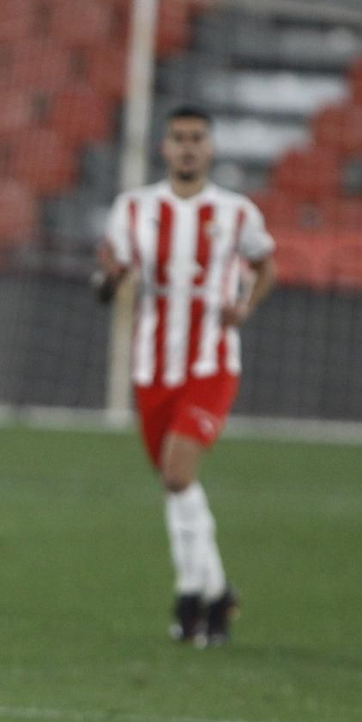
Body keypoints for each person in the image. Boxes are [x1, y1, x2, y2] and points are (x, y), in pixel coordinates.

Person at [97, 105, 276, 646]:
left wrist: (246, 307)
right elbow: (107, 281)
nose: (188, 147)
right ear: (165, 147)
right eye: (179, 137)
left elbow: (266, 265)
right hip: (152, 367)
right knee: (176, 486)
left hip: (211, 363)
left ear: (211, 148)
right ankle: (212, 596)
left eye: (197, 138)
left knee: (178, 475)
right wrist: (108, 280)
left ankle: (189, 593)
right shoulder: (133, 209)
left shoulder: (237, 212)